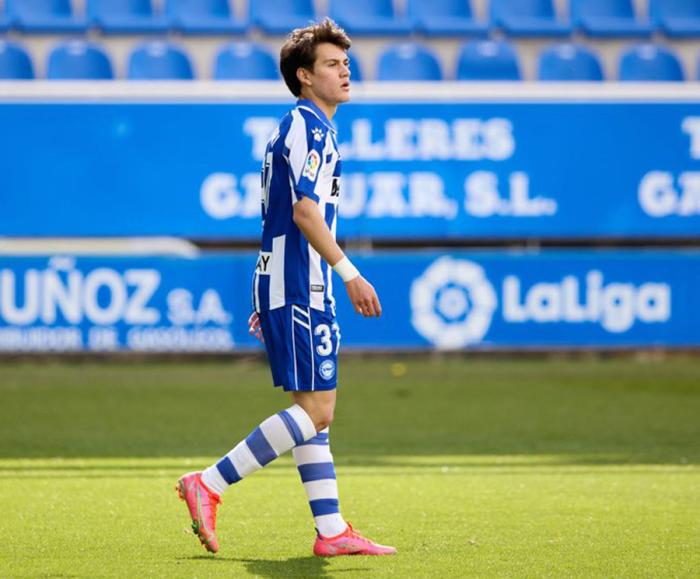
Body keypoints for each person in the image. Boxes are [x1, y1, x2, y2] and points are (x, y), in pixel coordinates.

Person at [176, 18, 396, 558]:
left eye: (346, 63)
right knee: (318, 412)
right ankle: (208, 483)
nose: (345, 72)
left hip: (292, 284)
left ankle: (332, 530)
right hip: (300, 284)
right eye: (331, 64)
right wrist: (350, 273)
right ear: (304, 75)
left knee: (312, 414)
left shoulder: (305, 128)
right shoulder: (308, 127)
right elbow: (304, 213)